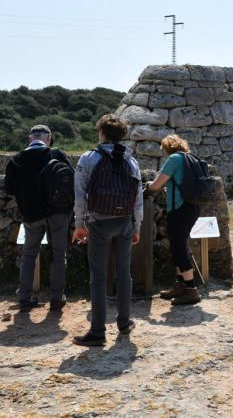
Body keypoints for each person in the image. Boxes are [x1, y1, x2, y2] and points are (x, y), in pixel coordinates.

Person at [71, 114, 143, 346]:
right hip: (124, 222)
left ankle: (98, 332)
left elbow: (79, 194)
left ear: (101, 132)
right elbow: (138, 199)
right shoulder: (131, 161)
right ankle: (124, 323)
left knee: (99, 276)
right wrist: (136, 226)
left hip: (99, 222)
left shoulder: (89, 158)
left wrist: (79, 225)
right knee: (124, 273)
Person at [4, 125, 73, 312]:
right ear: (48, 138)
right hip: (58, 213)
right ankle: (57, 299)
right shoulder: (57, 155)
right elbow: (71, 180)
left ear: (29, 139)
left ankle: (24, 298)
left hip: (31, 214)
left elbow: (9, 188)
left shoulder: (15, 160)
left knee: (28, 256)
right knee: (58, 255)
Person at [145, 134, 201, 305]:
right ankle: (180, 285)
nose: (162, 152)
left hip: (179, 210)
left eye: (163, 149)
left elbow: (156, 184)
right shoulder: (191, 158)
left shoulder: (174, 159)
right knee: (178, 246)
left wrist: (148, 186)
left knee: (178, 248)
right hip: (192, 207)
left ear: (167, 148)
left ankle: (191, 290)